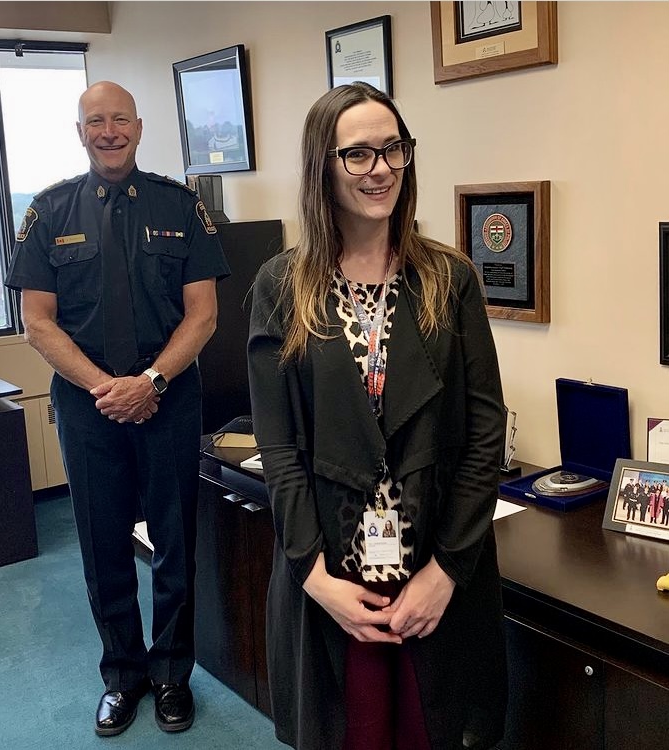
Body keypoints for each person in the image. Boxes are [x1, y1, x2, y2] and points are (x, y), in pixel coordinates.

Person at [247, 82, 507, 750]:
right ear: (322, 167)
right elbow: (279, 452)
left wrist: (447, 570)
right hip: (333, 573)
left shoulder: (449, 280)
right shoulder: (282, 287)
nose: (381, 168)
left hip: (433, 570)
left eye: (392, 148)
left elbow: (484, 434)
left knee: (434, 732)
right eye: (357, 154)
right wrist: (314, 577)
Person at [5, 81, 229, 737]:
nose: (109, 130)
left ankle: (171, 677)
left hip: (169, 398)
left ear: (139, 125)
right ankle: (122, 677)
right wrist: (107, 386)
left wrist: (151, 381)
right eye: (95, 121)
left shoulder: (182, 206)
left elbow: (204, 314)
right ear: (80, 132)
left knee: (173, 542)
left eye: (119, 119)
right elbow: (38, 323)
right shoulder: (47, 213)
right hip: (87, 408)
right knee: (103, 547)